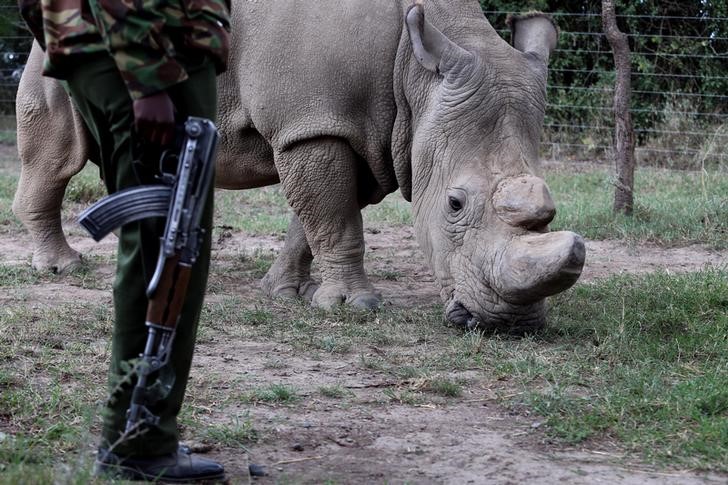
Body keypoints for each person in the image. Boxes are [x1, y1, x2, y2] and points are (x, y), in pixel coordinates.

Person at [18, 0, 231, 481]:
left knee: (165, 241)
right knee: (167, 247)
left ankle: (141, 432)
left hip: (124, 49)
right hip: (147, 56)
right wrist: (147, 74)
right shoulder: (146, 64)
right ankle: (138, 441)